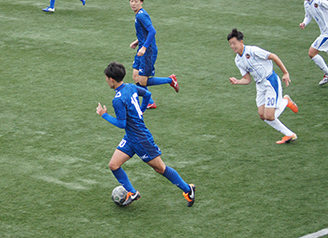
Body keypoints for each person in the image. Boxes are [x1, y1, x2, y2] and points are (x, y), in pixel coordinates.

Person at [96, 61, 195, 207]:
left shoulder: (117, 100)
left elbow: (121, 124)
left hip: (141, 139)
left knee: (160, 168)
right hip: (131, 137)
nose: (106, 81)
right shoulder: (130, 86)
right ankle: (132, 192)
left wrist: (104, 115)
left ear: (111, 79)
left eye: (106, 78)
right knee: (113, 165)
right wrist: (141, 110)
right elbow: (147, 94)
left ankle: (188, 189)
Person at [227, 29, 299, 144]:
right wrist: (237, 82)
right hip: (260, 85)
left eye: (234, 43)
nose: (232, 46)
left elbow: (273, 56)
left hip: (270, 81)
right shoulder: (238, 60)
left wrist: (285, 73)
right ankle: (290, 135)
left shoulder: (253, 50)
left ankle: (285, 101)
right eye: (230, 44)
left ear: (241, 42)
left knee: (270, 116)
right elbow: (247, 79)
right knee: (262, 115)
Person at [129, 0, 179, 109]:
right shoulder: (138, 14)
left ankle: (170, 80)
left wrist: (144, 47)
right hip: (141, 48)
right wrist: (137, 42)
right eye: (131, 1)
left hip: (147, 51)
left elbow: (152, 31)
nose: (133, 3)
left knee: (142, 81)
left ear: (141, 2)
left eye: (136, 1)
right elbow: (145, 32)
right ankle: (150, 102)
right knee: (135, 77)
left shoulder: (142, 15)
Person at [300, 0, 328, 85]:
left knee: (312, 52)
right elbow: (308, 16)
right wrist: (304, 23)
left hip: (327, 33)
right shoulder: (306, 3)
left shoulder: (320, 1)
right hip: (324, 32)